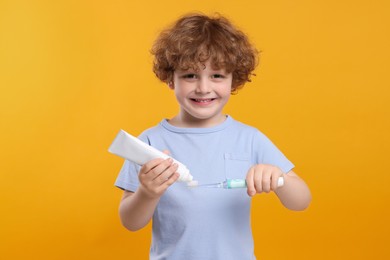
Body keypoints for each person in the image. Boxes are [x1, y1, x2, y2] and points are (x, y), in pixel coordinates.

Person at [114, 13, 311, 260]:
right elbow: (130, 222)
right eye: (190, 75)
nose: (203, 88)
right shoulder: (149, 143)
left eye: (217, 75)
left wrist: (280, 179)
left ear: (234, 80)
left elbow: (301, 201)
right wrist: (147, 193)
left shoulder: (249, 139)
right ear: (170, 80)